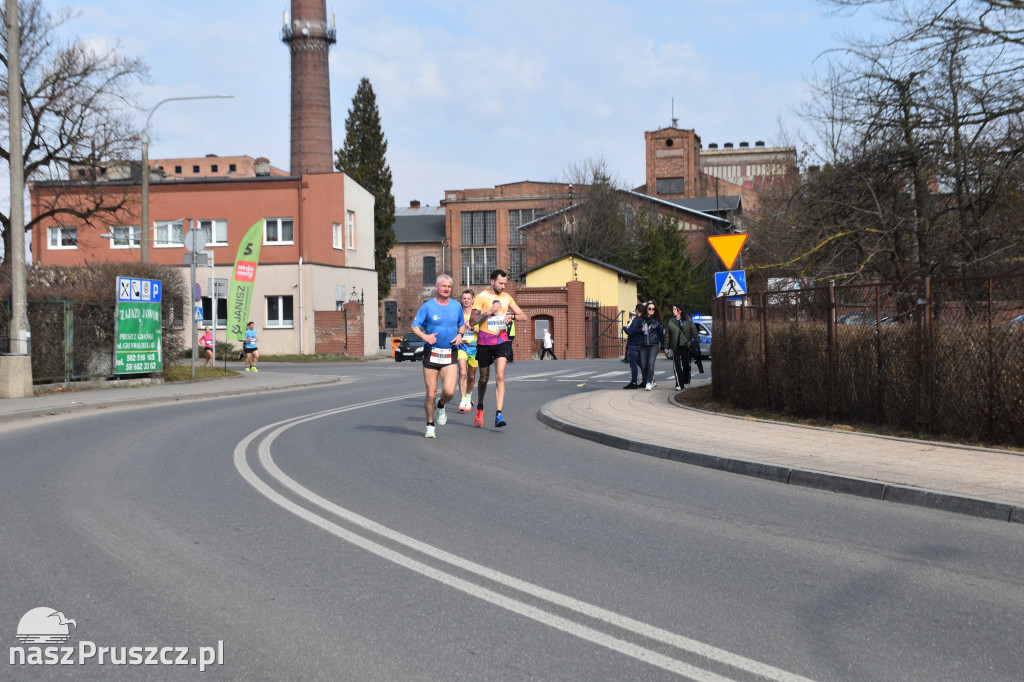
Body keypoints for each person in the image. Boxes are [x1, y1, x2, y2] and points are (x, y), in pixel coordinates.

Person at [470, 269, 527, 428]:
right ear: (492, 281)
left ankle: (498, 414)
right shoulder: (481, 297)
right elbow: (473, 321)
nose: (503, 286)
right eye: (501, 283)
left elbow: (523, 316)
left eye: (505, 284)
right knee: (483, 379)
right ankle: (480, 407)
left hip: (501, 341)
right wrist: (490, 311)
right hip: (484, 342)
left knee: (500, 376)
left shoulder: (507, 297)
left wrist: (512, 316)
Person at [411, 274, 466, 438]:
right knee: (430, 393)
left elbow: (461, 325)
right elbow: (414, 326)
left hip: (449, 354)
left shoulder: (456, 306)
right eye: (444, 286)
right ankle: (429, 425)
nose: (447, 289)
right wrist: (424, 336)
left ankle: (441, 406)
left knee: (449, 392)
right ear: (437, 287)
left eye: (449, 286)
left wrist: (460, 336)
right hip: (431, 354)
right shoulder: (428, 307)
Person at [665, 305, 698, 390]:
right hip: (675, 346)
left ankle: (686, 381)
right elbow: (667, 334)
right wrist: (666, 346)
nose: (673, 311)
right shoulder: (671, 321)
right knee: (676, 366)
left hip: (685, 345)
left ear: (680, 310)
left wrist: (696, 339)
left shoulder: (688, 319)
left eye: (675, 309)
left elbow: (693, 329)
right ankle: (679, 384)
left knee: (686, 364)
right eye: (673, 309)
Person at [457, 289, 479, 412]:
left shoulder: (477, 315)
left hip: (474, 347)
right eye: (464, 298)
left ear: (472, 300)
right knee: (463, 373)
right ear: (461, 300)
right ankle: (463, 400)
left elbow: (482, 332)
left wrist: (471, 327)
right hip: (462, 346)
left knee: (471, 376)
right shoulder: (458, 314)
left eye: (468, 298)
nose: (466, 300)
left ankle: (469, 395)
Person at [637, 301, 665, 391]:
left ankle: (649, 383)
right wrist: (641, 330)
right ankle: (649, 379)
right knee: (643, 365)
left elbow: (661, 335)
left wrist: (665, 346)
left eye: (653, 309)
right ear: (646, 310)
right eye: (650, 308)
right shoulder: (641, 320)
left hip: (654, 345)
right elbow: (635, 332)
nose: (651, 310)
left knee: (650, 364)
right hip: (643, 345)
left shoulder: (657, 322)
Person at [621, 304, 645, 388]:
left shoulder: (636, 320)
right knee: (641, 364)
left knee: (633, 364)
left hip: (633, 344)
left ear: (637, 310)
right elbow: (640, 331)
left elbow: (630, 333)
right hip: (640, 344)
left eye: (635, 310)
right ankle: (645, 381)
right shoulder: (643, 320)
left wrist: (624, 328)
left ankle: (634, 382)